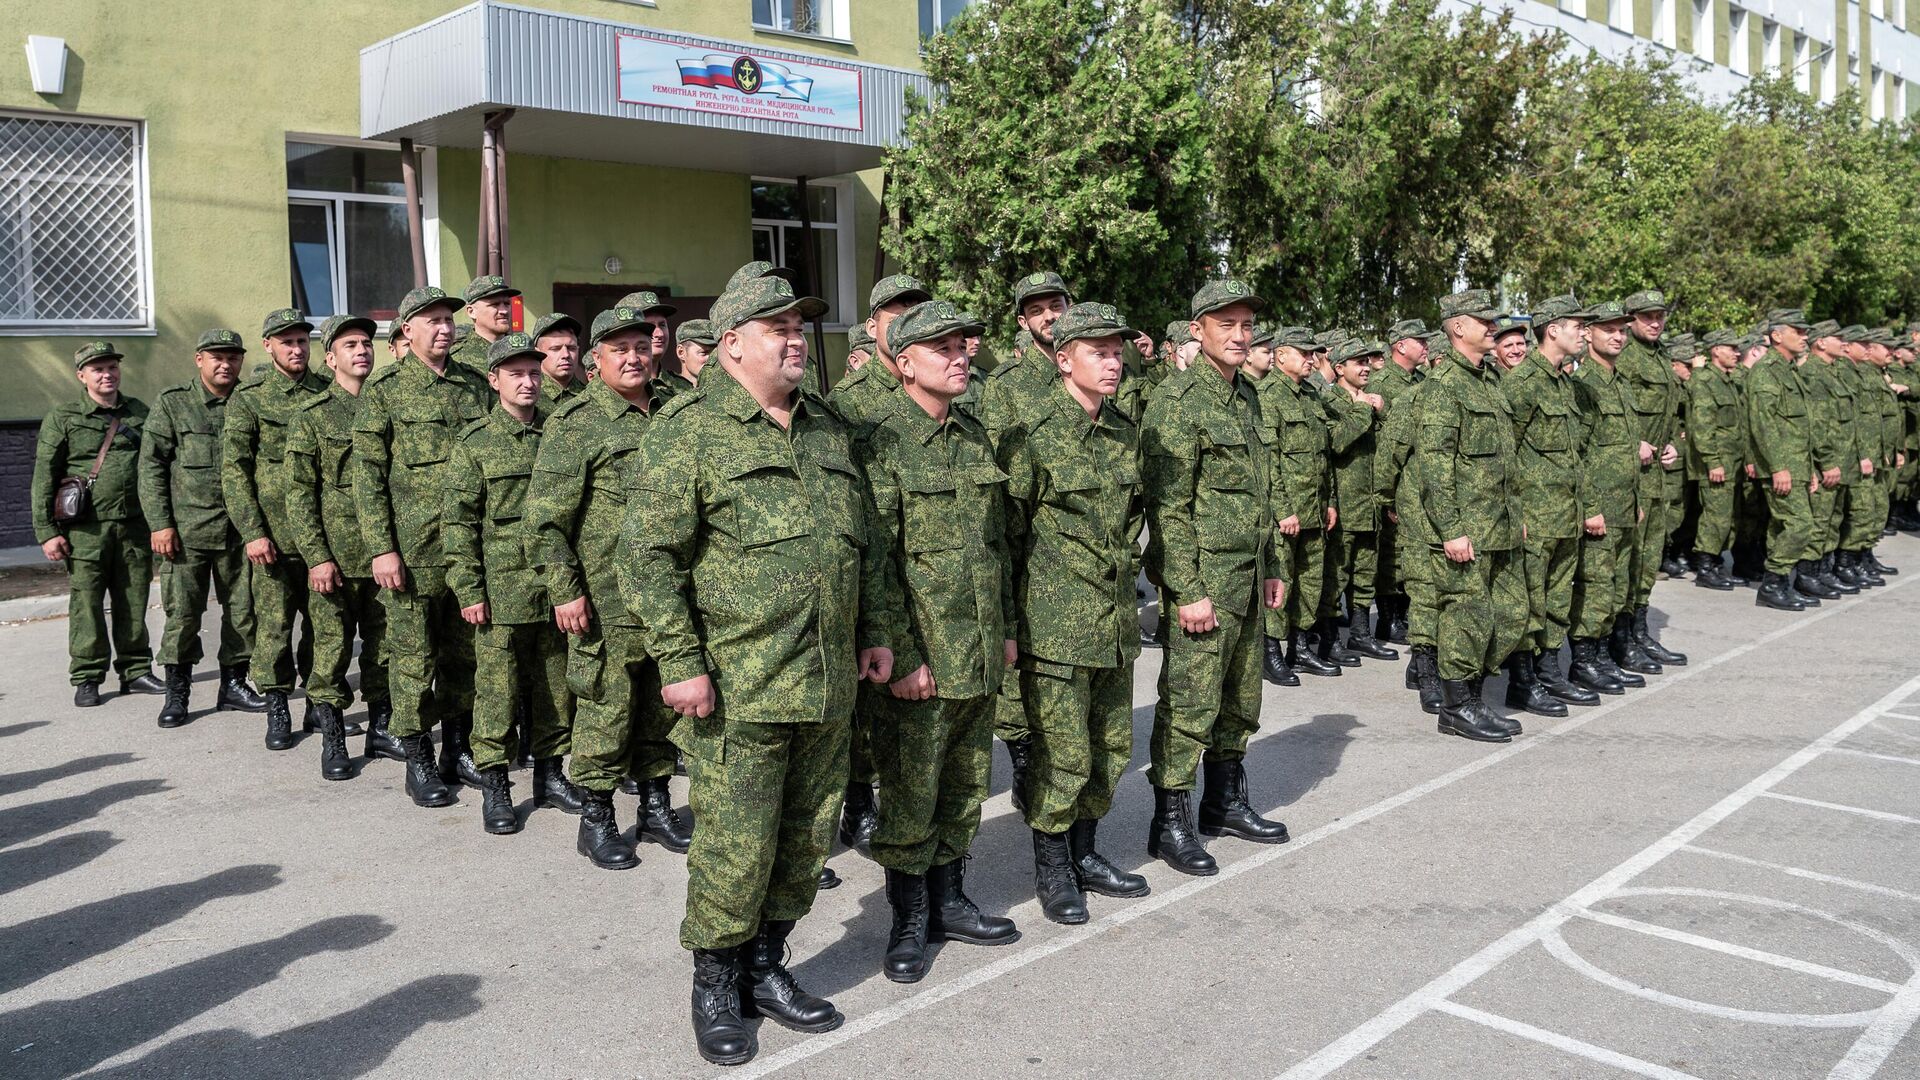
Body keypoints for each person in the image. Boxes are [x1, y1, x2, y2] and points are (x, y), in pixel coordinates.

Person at [622, 275, 897, 1066]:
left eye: (800, 325)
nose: (794, 338)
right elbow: (646, 555)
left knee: (807, 839)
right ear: (730, 343)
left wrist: (876, 631)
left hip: (827, 680)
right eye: (775, 326)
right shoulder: (691, 431)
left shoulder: (824, 428)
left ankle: (766, 965)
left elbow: (865, 543)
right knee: (737, 847)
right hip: (741, 684)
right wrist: (680, 661)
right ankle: (715, 984)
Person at [856, 300, 1022, 979]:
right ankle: (909, 919)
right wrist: (905, 652)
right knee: (908, 795)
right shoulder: (881, 439)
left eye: (963, 345)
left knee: (963, 786)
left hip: (978, 648)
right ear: (903, 362)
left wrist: (1006, 629)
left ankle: (951, 899)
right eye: (942, 348)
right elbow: (877, 559)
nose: (961, 357)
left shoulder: (973, 435)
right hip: (920, 656)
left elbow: (995, 548)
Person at [999, 302, 1152, 925]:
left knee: (1111, 747)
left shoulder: (1121, 431)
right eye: (1098, 352)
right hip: (1054, 628)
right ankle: (1054, 868)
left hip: (1113, 622)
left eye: (1117, 351)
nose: (1113, 362)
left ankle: (1087, 853)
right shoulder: (1033, 435)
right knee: (1063, 755)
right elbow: (1005, 536)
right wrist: (1010, 626)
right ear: (1064, 360)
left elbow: (1131, 519)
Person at [526, 305, 688, 868]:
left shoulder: (676, 412)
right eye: (619, 349)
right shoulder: (577, 424)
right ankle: (597, 815)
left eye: (641, 346)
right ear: (596, 359)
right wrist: (566, 589)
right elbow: (544, 520)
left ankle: (656, 805)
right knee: (606, 708)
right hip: (605, 599)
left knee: (661, 707)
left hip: (670, 595)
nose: (633, 357)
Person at [1141, 278, 1289, 877]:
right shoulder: (1177, 403)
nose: (1239, 334)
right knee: (1189, 702)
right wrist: (1187, 588)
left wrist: (1274, 564)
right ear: (1197, 329)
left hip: (1248, 578)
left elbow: (1263, 490)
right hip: (1206, 585)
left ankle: (1223, 802)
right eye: (1225, 323)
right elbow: (1167, 507)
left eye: (1246, 325)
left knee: (1239, 697)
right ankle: (1168, 823)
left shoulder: (1249, 397)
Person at [353, 286, 491, 807]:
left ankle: (459, 749)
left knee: (464, 656)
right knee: (412, 658)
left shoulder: (474, 385)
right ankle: (418, 757)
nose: (443, 328)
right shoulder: (385, 388)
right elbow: (367, 478)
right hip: (412, 552)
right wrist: (381, 549)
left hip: (468, 552)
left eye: (448, 320)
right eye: (431, 320)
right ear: (406, 329)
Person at [444, 332, 574, 835]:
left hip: (553, 588)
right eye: (516, 373)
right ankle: (497, 784)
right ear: (494, 380)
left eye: (534, 372)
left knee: (554, 687)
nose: (528, 381)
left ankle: (550, 774)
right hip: (500, 593)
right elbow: (457, 522)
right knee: (496, 691)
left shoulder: (559, 434)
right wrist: (469, 589)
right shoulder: (476, 444)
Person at [824, 273, 932, 849]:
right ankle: (859, 799)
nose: (909, 323)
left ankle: (896, 809)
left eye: (920, 312)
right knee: (868, 706)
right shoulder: (848, 406)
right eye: (896, 315)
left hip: (929, 582)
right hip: (869, 576)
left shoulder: (947, 395)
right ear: (873, 328)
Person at [140, 328, 269, 727]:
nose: (225, 364)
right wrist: (160, 524)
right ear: (199, 360)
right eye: (216, 356)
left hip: (240, 531)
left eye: (232, 357)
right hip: (187, 533)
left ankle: (233, 684)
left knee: (243, 613)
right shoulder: (174, 403)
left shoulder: (250, 402)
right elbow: (151, 466)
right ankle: (178, 692)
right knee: (182, 616)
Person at [285, 315, 394, 776]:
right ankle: (332, 737)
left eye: (367, 343)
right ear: (330, 358)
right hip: (336, 556)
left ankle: (381, 730)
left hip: (386, 555)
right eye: (350, 344)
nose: (362, 351)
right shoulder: (311, 416)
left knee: (385, 647)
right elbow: (299, 493)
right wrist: (317, 557)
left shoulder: (389, 406)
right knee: (330, 649)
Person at [1416, 290, 1526, 742]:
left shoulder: (1490, 381)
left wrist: (1514, 514)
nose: (1493, 328)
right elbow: (1435, 465)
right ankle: (1457, 705)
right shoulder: (1445, 387)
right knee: (1466, 614)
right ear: (1458, 327)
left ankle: (1475, 696)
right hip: (1465, 530)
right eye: (1485, 321)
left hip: (1498, 525)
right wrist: (1451, 529)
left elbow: (1504, 460)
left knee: (1510, 612)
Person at [32, 341, 163, 707]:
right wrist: (47, 532)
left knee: (133, 599)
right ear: (82, 375)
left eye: (112, 367)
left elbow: (157, 466)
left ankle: (135, 670)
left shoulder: (138, 412)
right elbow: (45, 476)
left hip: (133, 526)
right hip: (84, 531)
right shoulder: (65, 417)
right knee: (86, 603)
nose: (107, 374)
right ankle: (87, 676)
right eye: (98, 369)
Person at [224, 309, 328, 749]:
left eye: (302, 340)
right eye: (286, 341)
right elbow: (234, 470)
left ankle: (319, 703)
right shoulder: (250, 397)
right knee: (274, 626)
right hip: (273, 537)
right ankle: (278, 703)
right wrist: (252, 531)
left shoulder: (326, 391)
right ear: (268, 345)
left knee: (324, 627)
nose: (297, 348)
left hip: (322, 537)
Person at [1499, 296, 1595, 717]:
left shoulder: (1564, 383)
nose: (1585, 333)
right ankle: (1521, 681)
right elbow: (1506, 454)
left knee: (1557, 597)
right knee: (1529, 601)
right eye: (1579, 326)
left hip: (1564, 515)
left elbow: (1574, 456)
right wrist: (1513, 515)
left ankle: (1549, 669)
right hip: (1534, 519)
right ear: (1552, 329)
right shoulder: (1522, 383)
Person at [1569, 301, 1647, 692]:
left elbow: (1625, 449)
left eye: (1622, 330)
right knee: (1596, 586)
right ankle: (1584, 661)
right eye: (1609, 330)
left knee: (1617, 585)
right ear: (1589, 335)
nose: (1618, 336)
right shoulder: (1583, 387)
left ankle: (1603, 655)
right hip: (1598, 506)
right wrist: (1591, 507)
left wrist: (1636, 501)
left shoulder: (1621, 384)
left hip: (1624, 504)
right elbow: (1576, 452)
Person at [1261, 326, 1344, 679]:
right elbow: (1270, 459)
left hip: (1314, 507)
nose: (1312, 359)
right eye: (1304, 353)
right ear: (1281, 356)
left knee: (1310, 581)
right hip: (1288, 513)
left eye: (1314, 353)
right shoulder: (1267, 396)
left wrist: (1329, 501)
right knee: (1282, 582)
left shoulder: (1310, 395)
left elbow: (1323, 456)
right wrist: (1283, 510)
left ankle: (1300, 647)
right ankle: (1271, 651)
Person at [1616, 290, 1688, 667]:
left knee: (1649, 559)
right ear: (1630, 320)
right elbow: (1613, 414)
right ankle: (1621, 638)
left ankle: (1639, 633)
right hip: (1630, 475)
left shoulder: (1661, 356)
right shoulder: (1624, 358)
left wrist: (1675, 443)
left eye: (1659, 316)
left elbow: (1674, 415)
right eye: (1647, 317)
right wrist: (1635, 442)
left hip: (1657, 474)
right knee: (1629, 558)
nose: (1656, 322)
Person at [1743, 309, 1820, 611]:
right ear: (1777, 335)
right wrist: (1778, 467)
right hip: (1782, 465)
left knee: (1782, 528)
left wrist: (1810, 468)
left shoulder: (1789, 370)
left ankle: (1780, 584)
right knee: (1801, 524)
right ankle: (1772, 584)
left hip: (1797, 464)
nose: (1804, 336)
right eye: (1798, 331)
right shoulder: (1766, 371)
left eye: (1805, 331)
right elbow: (1764, 424)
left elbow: (1801, 428)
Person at [1324, 339, 1396, 663]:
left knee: (1365, 573)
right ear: (1340, 368)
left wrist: (1381, 412)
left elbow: (1392, 441)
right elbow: (1336, 443)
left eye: (1368, 361)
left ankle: (1360, 634)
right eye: (1358, 362)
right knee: (1336, 574)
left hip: (1371, 502)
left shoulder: (1373, 401)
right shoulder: (1330, 401)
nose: (1366, 367)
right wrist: (1363, 408)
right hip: (1344, 502)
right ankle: (1328, 639)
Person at [1371, 319, 1430, 648]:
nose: (1425, 346)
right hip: (1394, 476)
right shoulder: (1384, 381)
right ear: (1400, 346)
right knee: (1391, 553)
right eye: (1418, 340)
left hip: (1418, 476)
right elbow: (1386, 437)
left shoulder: (1421, 380)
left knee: (1410, 552)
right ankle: (1389, 617)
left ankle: (1405, 613)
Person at [1685, 329, 1746, 590]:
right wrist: (1713, 461)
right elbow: (1702, 426)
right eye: (1731, 347)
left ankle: (1718, 562)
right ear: (1715, 350)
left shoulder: (1728, 380)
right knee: (1716, 517)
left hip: (1732, 461)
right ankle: (1705, 567)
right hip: (1717, 463)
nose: (1737, 352)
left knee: (1728, 516)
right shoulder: (1705, 381)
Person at [450, 275, 521, 376]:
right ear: (471, 312)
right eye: (495, 304)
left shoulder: (521, 351)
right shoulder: (458, 360)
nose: (504, 311)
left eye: (507, 303)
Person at [530, 312, 586, 416]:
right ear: (538, 353)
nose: (565, 354)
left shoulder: (589, 395)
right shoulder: (528, 397)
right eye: (555, 349)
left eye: (571, 348)